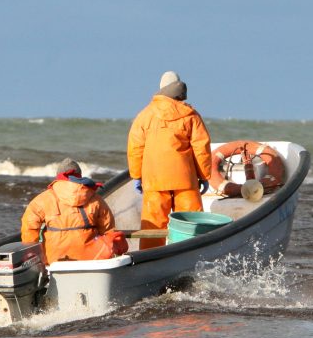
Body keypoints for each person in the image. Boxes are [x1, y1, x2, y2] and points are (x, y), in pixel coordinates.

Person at [127, 71, 212, 249]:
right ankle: (188, 256)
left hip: (154, 180)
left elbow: (135, 148)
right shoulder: (190, 115)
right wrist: (204, 175)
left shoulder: (145, 115)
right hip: (185, 179)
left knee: (153, 226)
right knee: (190, 226)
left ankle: (150, 261)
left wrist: (137, 175)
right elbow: (201, 148)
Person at [21, 158, 128, 263]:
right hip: (92, 258)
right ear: (79, 176)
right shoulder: (95, 199)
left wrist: (33, 255)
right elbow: (108, 231)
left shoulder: (42, 199)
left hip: (54, 259)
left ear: (58, 177)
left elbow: (29, 229)